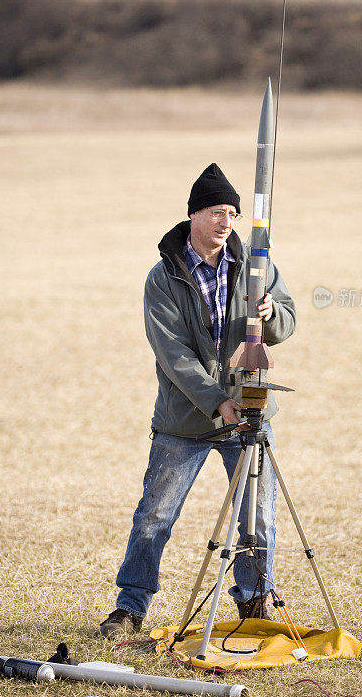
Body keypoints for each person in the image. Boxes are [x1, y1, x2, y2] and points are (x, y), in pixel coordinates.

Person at [100, 163, 295, 638]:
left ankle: (252, 602)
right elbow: (173, 354)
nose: (225, 221)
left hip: (247, 416)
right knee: (155, 517)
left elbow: (286, 322)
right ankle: (131, 607)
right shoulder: (163, 277)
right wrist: (214, 401)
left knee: (257, 517)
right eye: (215, 211)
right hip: (183, 421)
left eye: (231, 212)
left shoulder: (257, 265)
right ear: (193, 216)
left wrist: (269, 315)